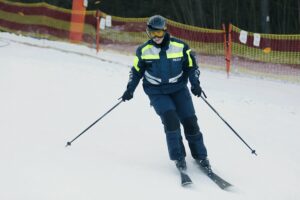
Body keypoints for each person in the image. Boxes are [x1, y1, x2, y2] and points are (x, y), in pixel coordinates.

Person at [121, 15, 211, 171]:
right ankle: (179, 157)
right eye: (152, 33)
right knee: (171, 120)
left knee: (190, 121)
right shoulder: (143, 50)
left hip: (179, 88)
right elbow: (136, 72)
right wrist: (130, 89)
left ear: (165, 31)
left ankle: (200, 156)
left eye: (159, 33)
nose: (156, 37)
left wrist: (195, 84)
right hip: (156, 91)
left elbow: (192, 66)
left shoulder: (180, 46)